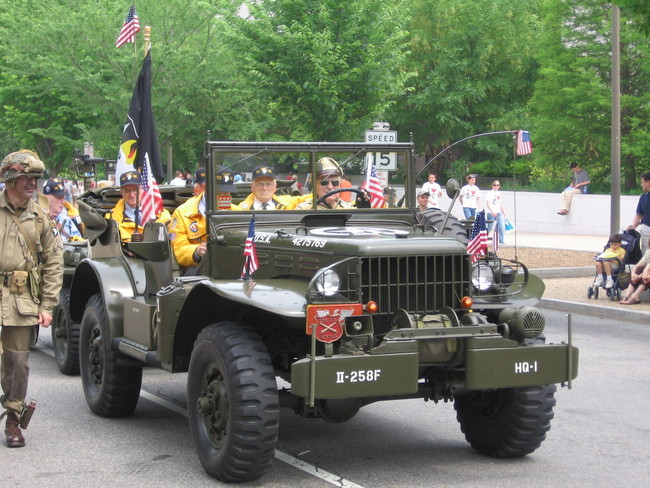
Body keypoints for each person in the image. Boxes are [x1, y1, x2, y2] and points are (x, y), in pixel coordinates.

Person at [0, 149, 63, 448]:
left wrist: (47, 304)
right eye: (27, 177)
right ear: (11, 179)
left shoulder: (40, 216)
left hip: (21, 297)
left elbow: (54, 261)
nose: (32, 184)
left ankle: (13, 418)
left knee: (18, 362)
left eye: (35, 178)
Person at [169, 166, 238, 272]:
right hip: (196, 267)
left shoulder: (237, 212)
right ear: (206, 188)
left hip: (232, 266)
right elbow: (179, 249)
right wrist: (197, 251)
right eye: (219, 193)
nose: (224, 197)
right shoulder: (182, 213)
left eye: (227, 193)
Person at [107, 171, 171, 242]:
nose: (131, 194)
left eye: (135, 190)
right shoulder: (111, 217)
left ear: (143, 189)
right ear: (121, 192)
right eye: (127, 191)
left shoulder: (161, 213)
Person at [237, 166, 302, 210]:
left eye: (268, 184)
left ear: (275, 187)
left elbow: (311, 198)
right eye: (260, 184)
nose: (264, 188)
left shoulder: (289, 203)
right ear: (252, 187)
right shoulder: (240, 210)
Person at [620, 240, 650, 305]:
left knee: (646, 276)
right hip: (646, 274)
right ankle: (627, 295)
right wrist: (633, 273)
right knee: (639, 269)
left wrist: (641, 275)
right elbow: (638, 265)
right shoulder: (648, 252)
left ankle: (635, 296)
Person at [627, 171, 650, 255]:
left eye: (642, 182)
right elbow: (639, 214)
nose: (642, 184)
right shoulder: (643, 197)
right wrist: (633, 225)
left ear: (648, 182)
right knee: (646, 254)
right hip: (646, 229)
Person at [485, 180, 506, 245]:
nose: (496, 186)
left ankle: (501, 241)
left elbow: (499, 203)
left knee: (501, 226)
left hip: (498, 212)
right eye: (495, 185)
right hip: (491, 212)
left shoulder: (499, 193)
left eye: (497, 185)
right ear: (492, 185)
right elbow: (488, 204)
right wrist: (492, 211)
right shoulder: (490, 193)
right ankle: (484, 238)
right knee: (490, 227)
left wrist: (503, 211)